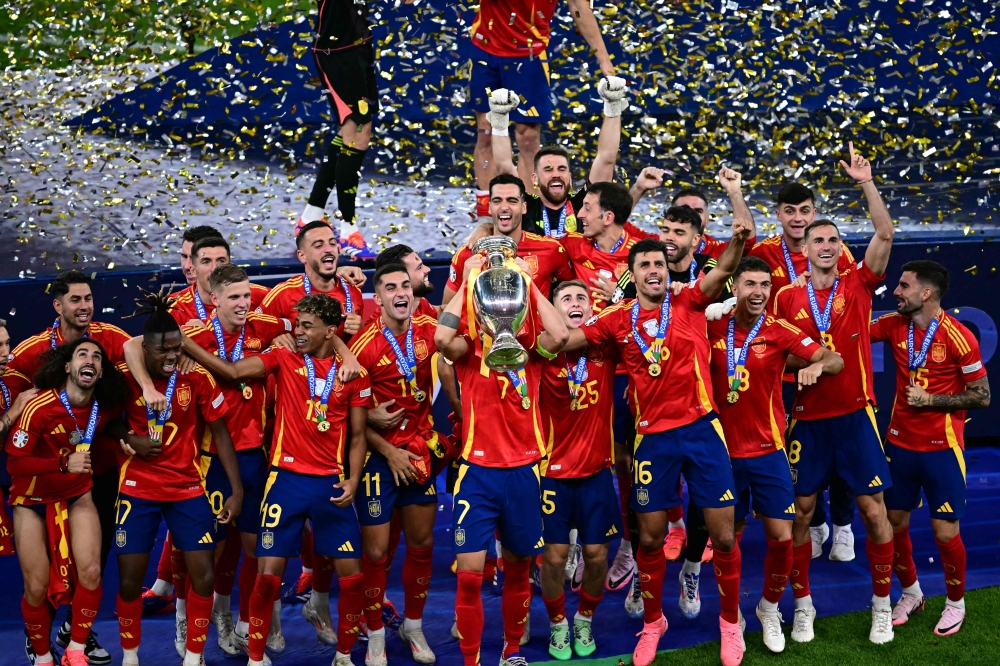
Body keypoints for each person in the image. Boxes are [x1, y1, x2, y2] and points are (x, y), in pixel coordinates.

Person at [562, 226, 754, 666]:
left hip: (703, 431)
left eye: (659, 265)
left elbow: (724, 267)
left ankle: (729, 624)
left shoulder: (689, 300)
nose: (654, 270)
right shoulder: (616, 318)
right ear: (632, 273)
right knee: (649, 540)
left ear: (668, 271)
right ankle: (653, 623)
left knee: (723, 537)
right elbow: (565, 340)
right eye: (644, 264)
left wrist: (739, 239)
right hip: (653, 437)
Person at [179, 293, 369, 666]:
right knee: (267, 575)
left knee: (353, 579)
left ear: (330, 331)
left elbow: (359, 436)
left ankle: (345, 656)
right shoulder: (282, 358)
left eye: (307, 327)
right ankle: (255, 657)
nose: (297, 332)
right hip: (285, 481)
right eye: (297, 324)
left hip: (332, 483)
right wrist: (185, 343)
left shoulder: (354, 376)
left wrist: (355, 480)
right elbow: (233, 373)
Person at [124, 265, 297, 655]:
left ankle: (248, 620)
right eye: (233, 297)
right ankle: (187, 621)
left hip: (256, 456)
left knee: (257, 548)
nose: (242, 304)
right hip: (209, 459)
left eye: (246, 296)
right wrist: (165, 369)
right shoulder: (194, 335)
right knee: (203, 551)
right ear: (213, 298)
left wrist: (296, 337)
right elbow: (133, 345)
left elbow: (311, 325)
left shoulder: (266, 325)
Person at [772, 142, 897, 645]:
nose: (824, 244)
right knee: (801, 513)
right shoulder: (786, 296)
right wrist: (805, 363)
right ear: (804, 249)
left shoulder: (859, 284)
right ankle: (803, 606)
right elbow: (777, 354)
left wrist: (865, 181)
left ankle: (882, 606)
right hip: (808, 419)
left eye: (832, 238)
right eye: (817, 239)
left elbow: (885, 232)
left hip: (854, 414)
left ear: (839, 248)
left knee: (874, 511)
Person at [435, 240, 569, 666]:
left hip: (524, 473)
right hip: (477, 474)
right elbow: (441, 337)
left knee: (516, 570)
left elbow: (562, 333)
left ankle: (512, 652)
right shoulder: (471, 353)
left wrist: (527, 285)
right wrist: (471, 282)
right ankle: (472, 660)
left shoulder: (530, 352)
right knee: (471, 578)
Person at [706, 256, 843, 654]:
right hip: (720, 454)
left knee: (782, 538)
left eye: (765, 285)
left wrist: (819, 367)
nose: (759, 292)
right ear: (734, 288)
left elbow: (833, 358)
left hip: (768, 451)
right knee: (726, 540)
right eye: (750, 284)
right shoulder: (711, 325)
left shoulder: (781, 331)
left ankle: (768, 607)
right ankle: (731, 619)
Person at [114, 287, 244, 666]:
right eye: (163, 350)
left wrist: (236, 491)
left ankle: (193, 656)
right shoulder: (125, 378)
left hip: (187, 486)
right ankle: (131, 655)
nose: (172, 355)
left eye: (176, 347)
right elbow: (106, 425)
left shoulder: (197, 378)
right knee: (128, 578)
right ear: (146, 350)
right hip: (138, 487)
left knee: (203, 573)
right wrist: (130, 438)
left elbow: (221, 433)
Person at [6, 270, 130, 665]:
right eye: (75, 300)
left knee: (91, 567)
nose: (84, 306)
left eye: (88, 298)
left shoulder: (110, 339)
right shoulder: (31, 356)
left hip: (90, 479)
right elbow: (17, 435)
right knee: (37, 583)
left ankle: (77, 639)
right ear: (58, 305)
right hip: (36, 485)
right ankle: (39, 646)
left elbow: (148, 354)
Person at [870, 261, 990, 636]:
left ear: (925, 293)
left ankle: (955, 604)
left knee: (944, 531)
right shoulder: (893, 324)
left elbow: (983, 397)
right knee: (894, 523)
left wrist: (931, 400)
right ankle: (911, 593)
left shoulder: (958, 337)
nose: (896, 291)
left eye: (904, 286)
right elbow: (847, 329)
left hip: (942, 448)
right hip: (899, 445)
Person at [749, 183, 858, 561]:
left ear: (814, 213)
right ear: (777, 214)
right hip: (791, 371)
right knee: (805, 460)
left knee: (841, 456)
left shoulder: (837, 251)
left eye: (805, 210)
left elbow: (852, 291)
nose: (798, 218)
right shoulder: (762, 253)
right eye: (790, 210)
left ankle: (843, 527)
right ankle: (817, 524)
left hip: (833, 367)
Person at [349, 264, 442, 665]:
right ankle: (373, 636)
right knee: (376, 553)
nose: (401, 292)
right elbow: (349, 419)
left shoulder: (428, 330)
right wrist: (389, 452)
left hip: (418, 450)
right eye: (391, 287)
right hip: (377, 459)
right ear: (378, 298)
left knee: (422, 544)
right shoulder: (362, 346)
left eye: (405, 285)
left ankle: (414, 625)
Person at [469, 0, 615, 219]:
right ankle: (486, 212)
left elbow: (579, 7)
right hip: (485, 49)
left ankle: (529, 212)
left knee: (528, 137)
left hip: (529, 55)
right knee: (485, 130)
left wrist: (604, 59)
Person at [537, 280, 621, 660]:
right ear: (554, 308)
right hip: (552, 474)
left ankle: (584, 618)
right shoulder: (541, 350)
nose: (575, 303)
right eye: (566, 298)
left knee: (597, 555)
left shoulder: (605, 347)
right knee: (554, 559)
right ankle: (557, 624)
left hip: (596, 473)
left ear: (592, 309)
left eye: (581, 298)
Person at [296, 0, 376, 257]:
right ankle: (348, 231)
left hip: (357, 46)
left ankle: (311, 215)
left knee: (350, 132)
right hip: (337, 52)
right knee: (357, 131)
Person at [443, 174, 574, 305]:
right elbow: (444, 310)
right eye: (497, 201)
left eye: (512, 200)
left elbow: (574, 295)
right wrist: (466, 285)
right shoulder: (467, 254)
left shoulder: (552, 249)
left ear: (524, 207)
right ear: (489, 207)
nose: (504, 207)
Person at [261, 221, 365, 339]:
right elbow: (254, 332)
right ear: (302, 256)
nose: (328, 249)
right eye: (319, 246)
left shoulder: (352, 289)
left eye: (332, 243)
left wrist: (361, 331)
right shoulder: (283, 293)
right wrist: (274, 340)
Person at [168, 236, 271, 327]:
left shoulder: (262, 295)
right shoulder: (173, 307)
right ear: (193, 270)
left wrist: (277, 335)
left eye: (221, 261)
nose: (214, 269)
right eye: (206, 262)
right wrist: (187, 340)